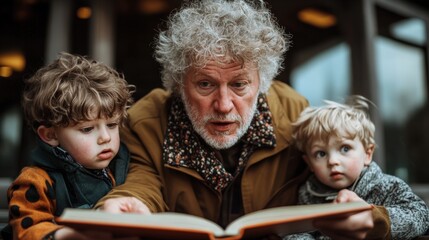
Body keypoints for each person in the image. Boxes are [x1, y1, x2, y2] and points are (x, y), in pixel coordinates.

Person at [95, 0, 391, 239]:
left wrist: (372, 218)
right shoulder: (147, 119)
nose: (224, 106)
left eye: (239, 85)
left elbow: (354, 177)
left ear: (261, 81)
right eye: (205, 84)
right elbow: (141, 182)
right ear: (178, 83)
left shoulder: (294, 113)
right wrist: (126, 203)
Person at [1, 52, 135, 240]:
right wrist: (70, 235)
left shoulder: (120, 168)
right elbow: (26, 231)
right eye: (87, 129)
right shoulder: (35, 182)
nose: (105, 137)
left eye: (112, 125)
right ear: (51, 135)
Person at [284, 95, 429, 239]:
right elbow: (298, 232)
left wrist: (376, 219)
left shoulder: (386, 186)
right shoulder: (308, 195)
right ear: (309, 163)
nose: (333, 161)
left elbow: (421, 215)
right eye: (321, 153)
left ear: (367, 154)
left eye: (345, 149)